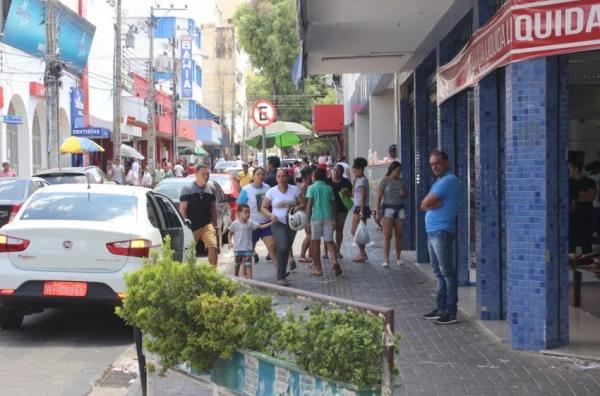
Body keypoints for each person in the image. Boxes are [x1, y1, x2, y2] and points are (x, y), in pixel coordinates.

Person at [421, 150, 459, 325]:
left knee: (446, 272)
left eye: (437, 163)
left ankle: (450, 311)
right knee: (438, 272)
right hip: (433, 231)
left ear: (446, 163)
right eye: (432, 164)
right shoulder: (438, 182)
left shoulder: (449, 181)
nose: (434, 167)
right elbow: (423, 204)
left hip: (441, 231)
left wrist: (430, 204)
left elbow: (425, 203)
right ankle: (441, 307)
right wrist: (429, 204)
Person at [261, 168, 304, 286]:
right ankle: (280, 276)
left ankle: (282, 273)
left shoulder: (294, 190)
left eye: (283, 176)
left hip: (292, 222)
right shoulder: (271, 192)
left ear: (288, 177)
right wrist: (271, 215)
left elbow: (303, 203)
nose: (281, 179)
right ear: (276, 178)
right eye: (279, 176)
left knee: (285, 248)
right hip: (277, 222)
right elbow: (263, 208)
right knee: (283, 246)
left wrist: (296, 208)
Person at [237, 167, 278, 266]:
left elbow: (272, 203)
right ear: (253, 176)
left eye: (262, 174)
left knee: (272, 246)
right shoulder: (246, 189)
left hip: (266, 223)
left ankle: (280, 275)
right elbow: (240, 206)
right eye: (258, 174)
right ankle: (244, 275)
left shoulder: (268, 188)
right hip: (251, 224)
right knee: (248, 250)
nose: (260, 176)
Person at [180, 164, 219, 267]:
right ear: (196, 174)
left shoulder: (211, 189)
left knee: (213, 246)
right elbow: (183, 209)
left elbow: (213, 209)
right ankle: (189, 272)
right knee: (189, 251)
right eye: (203, 174)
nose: (206, 176)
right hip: (192, 225)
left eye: (207, 174)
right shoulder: (187, 188)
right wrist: (185, 220)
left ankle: (212, 272)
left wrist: (215, 225)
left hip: (207, 224)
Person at [306, 167, 343, 277]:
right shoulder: (329, 188)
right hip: (328, 218)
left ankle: (318, 268)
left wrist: (307, 221)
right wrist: (335, 220)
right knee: (329, 242)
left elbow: (309, 205)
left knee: (316, 243)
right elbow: (334, 206)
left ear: (315, 177)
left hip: (316, 218)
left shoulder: (311, 188)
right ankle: (335, 261)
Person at [228, 204, 272, 279]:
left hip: (248, 249)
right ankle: (235, 278)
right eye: (245, 212)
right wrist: (230, 242)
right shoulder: (235, 224)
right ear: (238, 213)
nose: (248, 214)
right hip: (238, 249)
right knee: (237, 264)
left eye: (249, 212)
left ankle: (250, 281)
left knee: (248, 265)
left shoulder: (251, 223)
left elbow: (260, 226)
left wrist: (271, 223)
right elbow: (230, 233)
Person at [375, 161, 406, 267]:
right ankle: (386, 259)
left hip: (400, 208)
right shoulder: (384, 180)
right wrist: (377, 212)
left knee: (399, 234)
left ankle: (398, 258)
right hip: (387, 208)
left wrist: (404, 193)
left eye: (400, 171)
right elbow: (378, 197)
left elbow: (406, 196)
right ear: (392, 170)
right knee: (387, 235)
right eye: (398, 171)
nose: (399, 173)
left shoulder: (401, 181)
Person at [325, 164, 353, 259]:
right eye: (334, 170)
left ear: (342, 172)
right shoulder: (327, 181)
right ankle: (326, 251)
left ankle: (337, 250)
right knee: (329, 229)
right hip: (329, 209)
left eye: (338, 170)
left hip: (342, 209)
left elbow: (351, 194)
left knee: (339, 229)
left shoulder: (346, 182)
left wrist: (346, 193)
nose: (335, 172)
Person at [569, 156, 596, 254]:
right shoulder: (567, 183)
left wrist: (575, 198)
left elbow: (590, 197)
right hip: (571, 220)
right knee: (570, 247)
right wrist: (580, 194)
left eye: (569, 168)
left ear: (575, 168)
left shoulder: (589, 182)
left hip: (586, 219)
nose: (567, 171)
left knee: (586, 247)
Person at [351, 157, 370, 262]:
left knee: (356, 231)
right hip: (358, 207)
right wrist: (354, 183)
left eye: (355, 170)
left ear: (360, 170)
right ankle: (362, 253)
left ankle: (362, 253)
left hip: (361, 208)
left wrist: (362, 211)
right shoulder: (358, 180)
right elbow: (354, 195)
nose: (354, 172)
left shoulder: (363, 181)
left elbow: (363, 197)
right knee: (358, 231)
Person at [298, 166, 315, 264]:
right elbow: (305, 202)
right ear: (308, 175)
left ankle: (310, 254)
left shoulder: (309, 185)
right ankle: (302, 255)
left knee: (311, 235)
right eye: (312, 173)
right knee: (310, 235)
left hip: (310, 212)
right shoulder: (304, 186)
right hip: (306, 213)